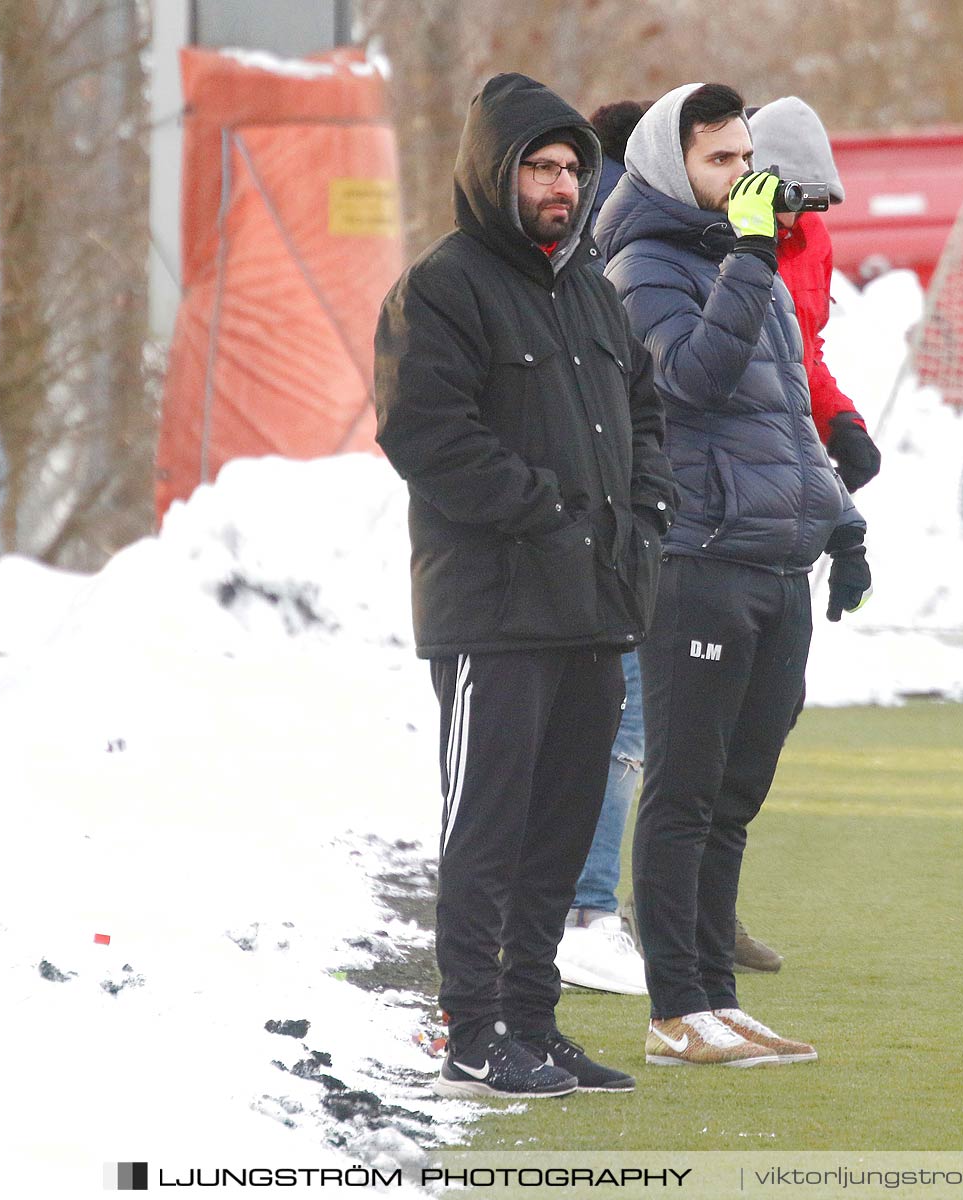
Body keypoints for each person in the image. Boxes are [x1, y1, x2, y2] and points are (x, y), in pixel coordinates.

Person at [375, 72, 677, 1098]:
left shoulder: (592, 292)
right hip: (494, 613)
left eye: (569, 169)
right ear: (495, 175)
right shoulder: (444, 286)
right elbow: (425, 434)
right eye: (538, 168)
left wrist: (644, 523)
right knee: (488, 829)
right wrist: (544, 510)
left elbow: (648, 422)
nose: (557, 186)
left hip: (596, 609)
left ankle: (534, 1025)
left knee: (558, 830)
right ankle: (469, 1032)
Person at [597, 82, 871, 1068]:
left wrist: (843, 528)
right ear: (676, 166)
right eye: (720, 160)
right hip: (697, 562)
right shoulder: (646, 264)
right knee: (685, 786)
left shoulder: (750, 271)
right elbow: (687, 383)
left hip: (773, 565)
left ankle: (717, 996)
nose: (742, 176)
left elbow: (790, 425)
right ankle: (677, 1007)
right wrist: (751, 258)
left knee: (736, 794)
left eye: (744, 155)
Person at [556, 98, 652, 997]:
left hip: (612, 522)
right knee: (621, 723)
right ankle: (587, 909)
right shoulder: (627, 243)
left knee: (616, 723)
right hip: (602, 530)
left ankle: (585, 907)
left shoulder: (593, 237)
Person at [749, 96, 881, 494]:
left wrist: (840, 422)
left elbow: (804, 353)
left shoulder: (811, 238)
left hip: (793, 460)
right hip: (741, 463)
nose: (794, 213)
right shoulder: (719, 239)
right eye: (788, 196)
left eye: (808, 198)